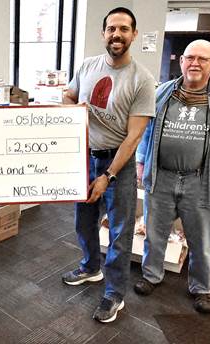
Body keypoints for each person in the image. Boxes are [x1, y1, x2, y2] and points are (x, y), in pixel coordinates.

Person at [134, 39, 210, 313]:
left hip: (202, 180)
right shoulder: (163, 92)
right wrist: (141, 161)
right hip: (161, 176)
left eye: (202, 59)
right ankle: (151, 275)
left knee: (203, 239)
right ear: (182, 61)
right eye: (189, 58)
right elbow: (147, 130)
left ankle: (201, 288)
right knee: (154, 231)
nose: (194, 63)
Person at [61, 7, 155, 323]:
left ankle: (114, 293)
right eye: (111, 28)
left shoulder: (142, 80)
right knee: (83, 221)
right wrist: (73, 106)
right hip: (85, 156)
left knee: (119, 230)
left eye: (124, 29)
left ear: (134, 34)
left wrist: (108, 175)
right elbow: (68, 96)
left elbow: (134, 137)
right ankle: (90, 268)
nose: (117, 34)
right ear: (104, 33)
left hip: (119, 163)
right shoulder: (87, 66)